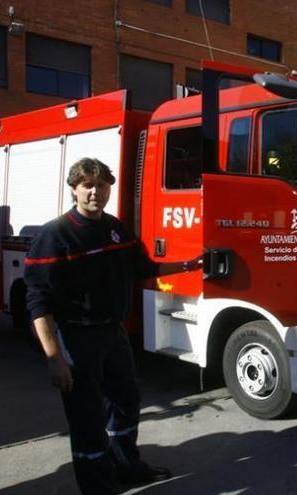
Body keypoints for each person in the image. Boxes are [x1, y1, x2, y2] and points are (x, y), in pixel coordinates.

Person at [25, 158, 200, 494]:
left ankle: (127, 467)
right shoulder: (55, 235)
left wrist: (190, 264)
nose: (95, 192)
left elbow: (143, 268)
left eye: (102, 185)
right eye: (88, 185)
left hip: (113, 333)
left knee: (126, 402)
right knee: (87, 418)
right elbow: (38, 303)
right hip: (78, 338)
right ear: (74, 189)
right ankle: (98, 487)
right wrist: (54, 357)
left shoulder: (115, 228)